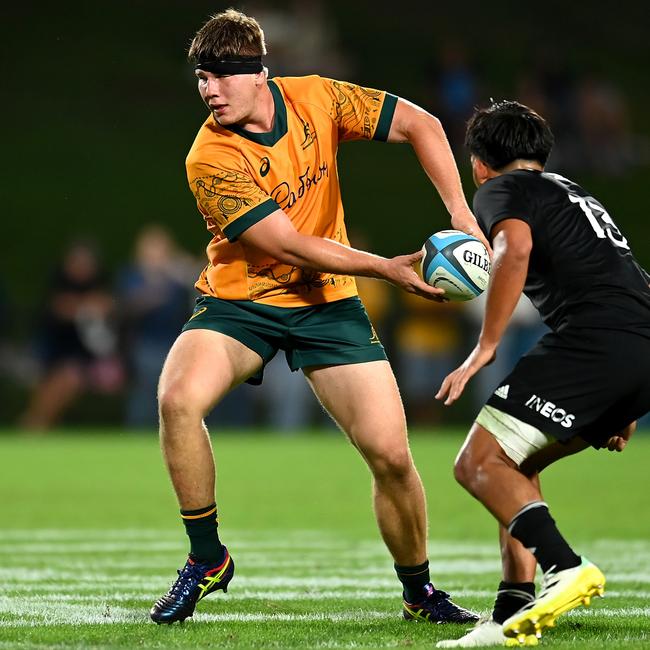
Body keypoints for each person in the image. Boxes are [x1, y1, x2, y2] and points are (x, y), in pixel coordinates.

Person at [150, 9, 487, 626]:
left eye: (223, 75)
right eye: (203, 77)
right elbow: (287, 244)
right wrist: (386, 268)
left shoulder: (317, 98)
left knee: (390, 455)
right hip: (243, 301)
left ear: (260, 74)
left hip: (326, 303)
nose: (209, 90)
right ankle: (206, 559)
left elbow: (422, 124)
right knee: (177, 398)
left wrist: (461, 216)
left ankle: (420, 594)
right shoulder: (210, 156)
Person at [434, 100, 650, 647]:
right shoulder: (569, 190)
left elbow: (514, 248)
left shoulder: (501, 191)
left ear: (479, 163)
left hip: (597, 342)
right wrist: (621, 394)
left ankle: (565, 566)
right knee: (514, 461)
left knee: (476, 464)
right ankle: (513, 609)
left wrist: (486, 344)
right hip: (632, 343)